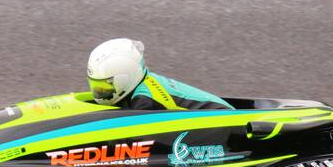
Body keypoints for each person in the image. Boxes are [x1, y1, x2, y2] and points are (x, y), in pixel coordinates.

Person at [86, 39, 232, 111]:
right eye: (96, 86)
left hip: (223, 120)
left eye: (104, 87)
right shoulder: (141, 84)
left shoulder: (144, 101)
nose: (98, 93)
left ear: (124, 79)